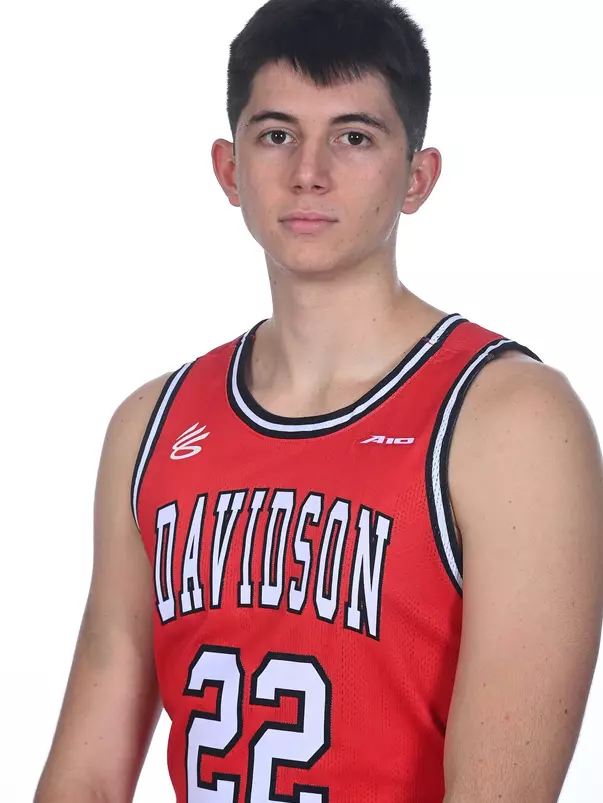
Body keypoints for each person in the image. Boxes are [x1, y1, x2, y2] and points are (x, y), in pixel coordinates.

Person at [34, 1, 603, 801]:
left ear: (418, 177)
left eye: (353, 136)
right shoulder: (151, 425)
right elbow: (85, 776)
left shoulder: (510, 422)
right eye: (276, 134)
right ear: (229, 169)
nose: (309, 171)